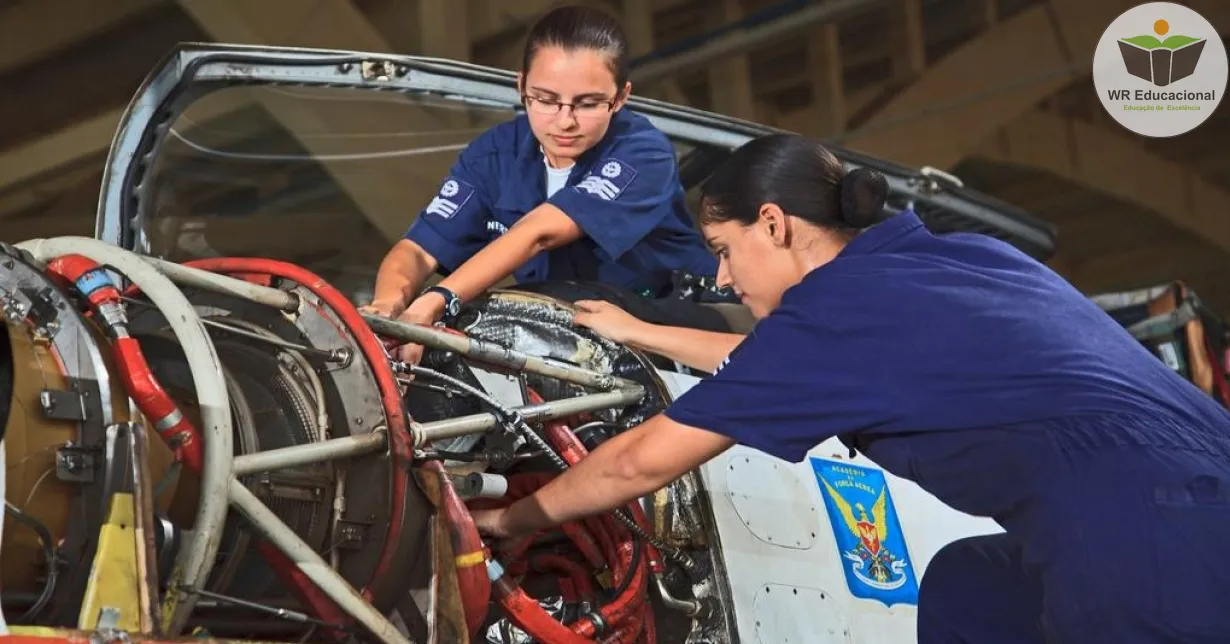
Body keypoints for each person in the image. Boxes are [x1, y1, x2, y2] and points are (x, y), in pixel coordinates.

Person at [470, 133, 1230, 643]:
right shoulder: (956, 261)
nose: (723, 277)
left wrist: (511, 521)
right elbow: (784, 362)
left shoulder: (831, 322)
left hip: (1143, 539)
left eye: (724, 250)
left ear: (773, 224)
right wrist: (647, 335)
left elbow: (641, 464)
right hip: (1200, 498)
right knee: (970, 588)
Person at [362, 5, 720, 360]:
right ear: (521, 86)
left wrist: (438, 300)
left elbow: (540, 233)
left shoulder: (643, 152)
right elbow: (418, 250)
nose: (564, 121)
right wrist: (389, 310)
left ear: (621, 98)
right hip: (574, 342)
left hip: (674, 330)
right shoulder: (493, 156)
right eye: (546, 100)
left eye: (588, 104)